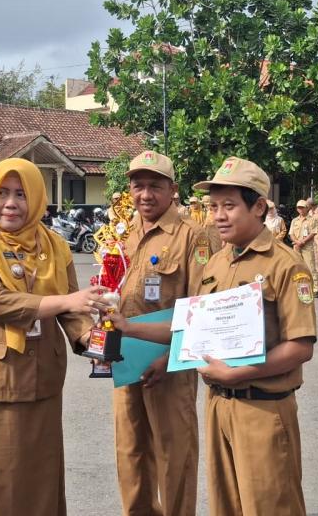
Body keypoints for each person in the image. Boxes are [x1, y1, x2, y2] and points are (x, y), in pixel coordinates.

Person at [0, 158, 105, 516]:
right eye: (3, 193)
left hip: (43, 383)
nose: (10, 203)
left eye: (21, 194)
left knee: (40, 485)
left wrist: (94, 340)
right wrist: (68, 301)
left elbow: (73, 310)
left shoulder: (54, 245)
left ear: (37, 198)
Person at [189, 156, 316, 516]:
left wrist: (238, 373)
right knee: (225, 506)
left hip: (263, 408)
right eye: (213, 206)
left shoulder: (286, 264)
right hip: (218, 404)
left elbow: (300, 347)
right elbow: (197, 328)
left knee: (270, 507)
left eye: (229, 206)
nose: (218, 215)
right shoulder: (216, 262)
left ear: (259, 207)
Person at [110, 150, 208, 516]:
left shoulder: (193, 236)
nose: (145, 195)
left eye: (155, 186)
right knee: (130, 451)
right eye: (138, 186)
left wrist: (170, 359)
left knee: (174, 455)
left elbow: (201, 310)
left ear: (173, 190)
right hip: (125, 359)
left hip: (168, 365)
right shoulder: (124, 233)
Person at [289, 200, 318, 296]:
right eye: (299, 208)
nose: (300, 209)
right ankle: (300, 287)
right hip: (296, 246)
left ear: (307, 208)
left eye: (302, 207)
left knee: (310, 267)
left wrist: (303, 241)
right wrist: (297, 241)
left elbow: (313, 232)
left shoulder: (312, 219)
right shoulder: (294, 220)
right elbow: (291, 234)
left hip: (307, 246)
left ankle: (315, 289)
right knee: (298, 268)